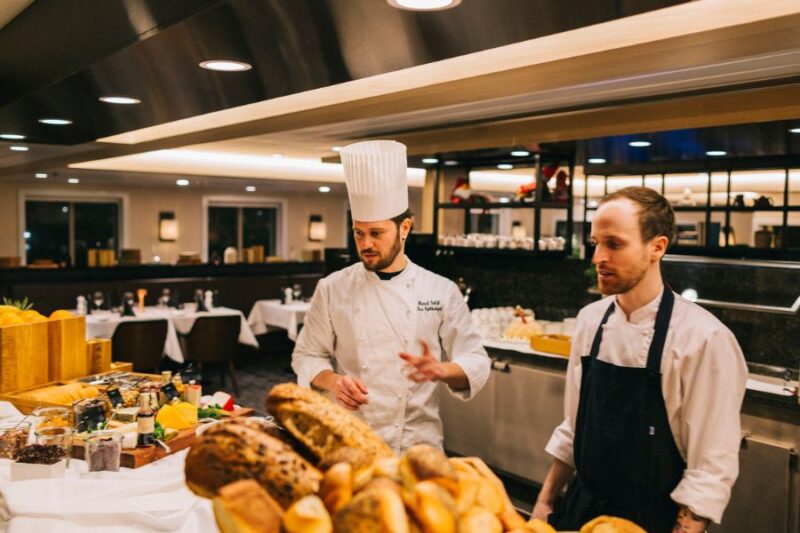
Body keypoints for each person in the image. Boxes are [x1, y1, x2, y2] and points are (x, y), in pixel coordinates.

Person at [532, 187, 747, 533]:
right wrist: (543, 504)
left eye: (613, 244)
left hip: (652, 520)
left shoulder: (702, 338)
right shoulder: (590, 321)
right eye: (595, 243)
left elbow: (710, 466)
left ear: (657, 248)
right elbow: (574, 428)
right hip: (580, 510)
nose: (597, 257)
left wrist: (687, 525)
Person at [292, 140, 490, 453]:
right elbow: (306, 355)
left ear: (405, 228)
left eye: (376, 233)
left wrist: (442, 370)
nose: (365, 243)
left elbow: (476, 358)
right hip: (350, 439)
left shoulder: (440, 290)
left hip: (417, 444)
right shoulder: (332, 287)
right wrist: (333, 381)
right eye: (359, 233)